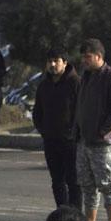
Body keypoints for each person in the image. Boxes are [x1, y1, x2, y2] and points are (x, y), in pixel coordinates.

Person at [74, 38, 111, 221]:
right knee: (87, 185)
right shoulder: (86, 78)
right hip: (84, 141)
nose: (84, 61)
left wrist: (103, 131)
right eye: (83, 57)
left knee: (108, 183)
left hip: (104, 143)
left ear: (98, 56)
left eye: (88, 57)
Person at [33, 49, 82, 209]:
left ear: (65, 62)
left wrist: (75, 134)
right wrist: (44, 130)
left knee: (73, 181)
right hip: (51, 141)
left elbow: (81, 112)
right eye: (49, 61)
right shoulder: (44, 85)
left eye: (56, 61)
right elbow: (38, 112)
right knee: (57, 181)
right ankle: (61, 216)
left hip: (71, 142)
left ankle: (75, 219)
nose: (52, 65)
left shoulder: (75, 83)